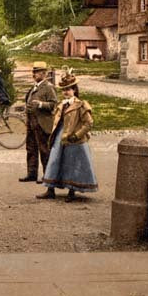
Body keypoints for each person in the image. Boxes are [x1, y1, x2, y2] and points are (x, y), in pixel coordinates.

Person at [37, 72, 98, 202]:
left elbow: (89, 123)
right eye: (64, 90)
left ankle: (72, 190)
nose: (66, 92)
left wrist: (77, 135)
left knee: (72, 163)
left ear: (74, 90)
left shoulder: (80, 105)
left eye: (68, 89)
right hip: (60, 136)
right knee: (54, 161)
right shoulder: (61, 105)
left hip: (74, 138)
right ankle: (50, 189)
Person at [18, 61, 57, 182]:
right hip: (31, 123)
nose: (34, 74)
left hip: (43, 123)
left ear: (44, 74)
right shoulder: (33, 87)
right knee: (31, 148)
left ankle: (47, 176)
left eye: (37, 72)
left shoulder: (48, 87)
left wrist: (40, 104)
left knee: (44, 150)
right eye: (33, 72)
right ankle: (32, 173)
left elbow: (54, 104)